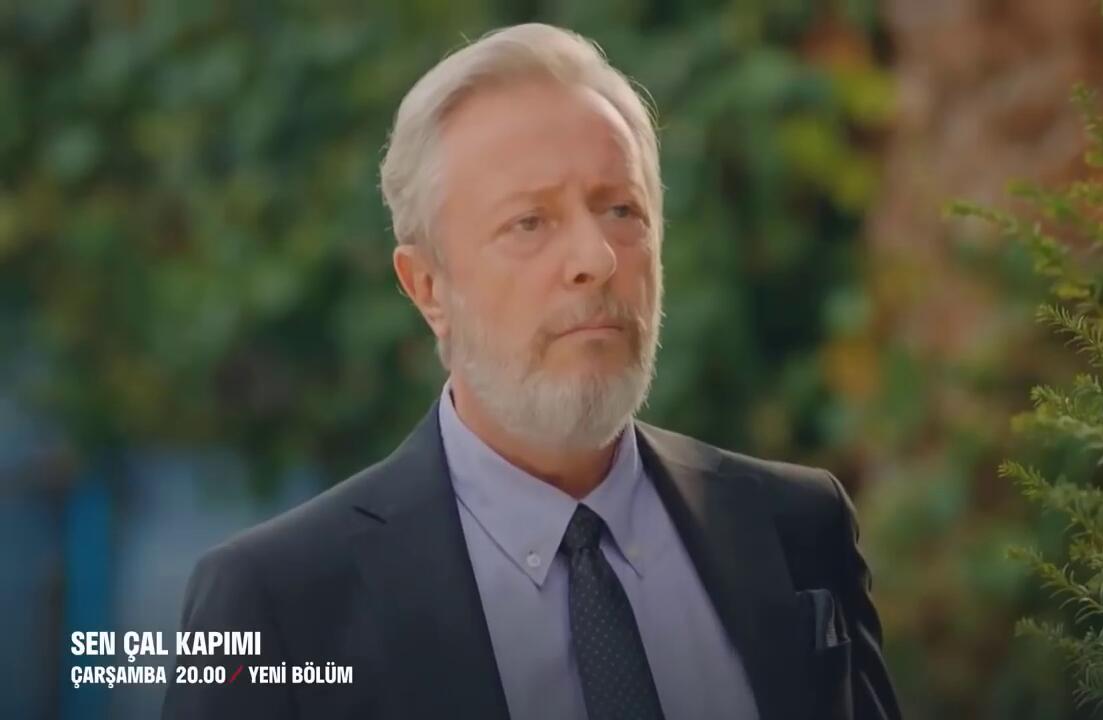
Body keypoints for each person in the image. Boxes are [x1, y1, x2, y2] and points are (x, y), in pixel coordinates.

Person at [162, 22, 899, 720]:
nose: (596, 259)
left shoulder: (795, 528)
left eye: (621, 210)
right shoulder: (276, 604)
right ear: (428, 287)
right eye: (530, 222)